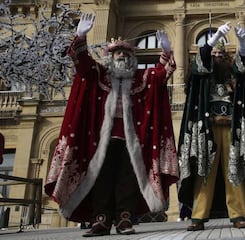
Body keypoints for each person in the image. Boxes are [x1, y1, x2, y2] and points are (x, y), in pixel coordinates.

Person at [44, 13, 179, 237]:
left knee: (128, 177)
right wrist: (81, 36)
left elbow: (159, 75)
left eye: (126, 55)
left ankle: (124, 218)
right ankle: (102, 220)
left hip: (132, 140)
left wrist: (166, 52)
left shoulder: (140, 78)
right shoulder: (99, 73)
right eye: (118, 54)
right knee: (102, 177)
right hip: (100, 139)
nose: (122, 58)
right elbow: (83, 64)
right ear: (110, 57)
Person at [177, 22, 245, 231]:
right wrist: (213, 39)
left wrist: (243, 43)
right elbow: (201, 61)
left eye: (220, 53)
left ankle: (238, 214)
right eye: (213, 52)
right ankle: (198, 216)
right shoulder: (203, 73)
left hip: (232, 129)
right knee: (204, 171)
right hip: (207, 129)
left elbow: (243, 68)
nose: (216, 56)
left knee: (234, 170)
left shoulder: (231, 73)